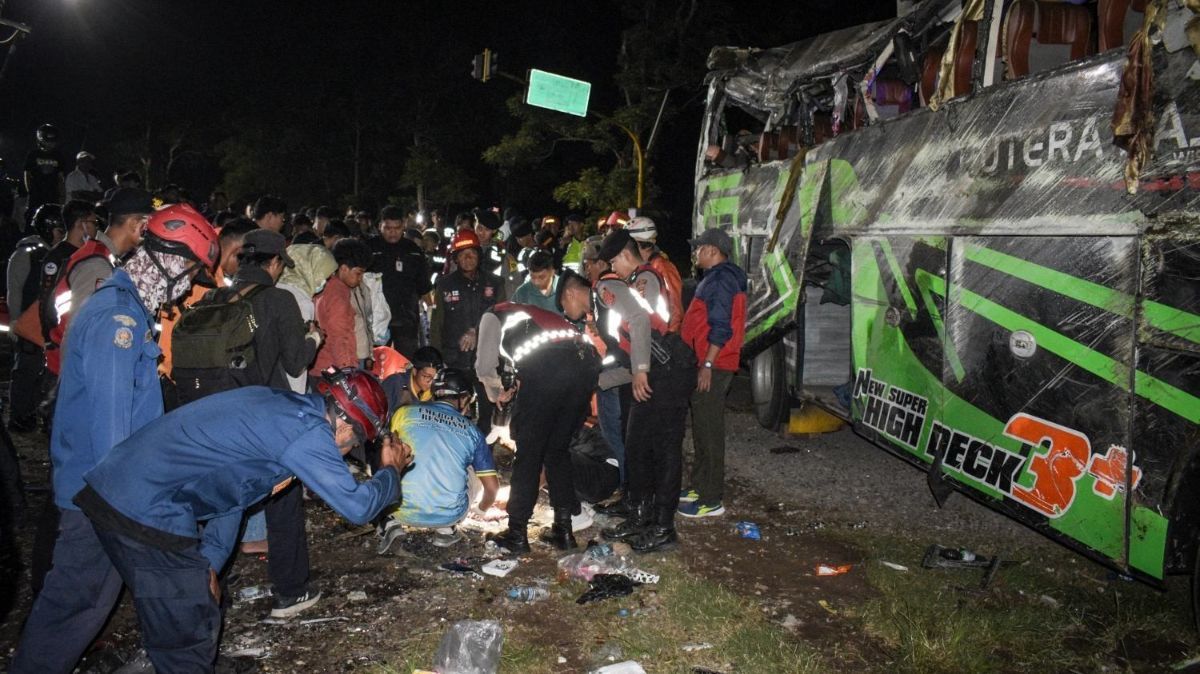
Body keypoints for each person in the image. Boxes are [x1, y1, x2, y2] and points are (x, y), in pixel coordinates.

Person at [71, 371, 407, 672]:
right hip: (145, 510)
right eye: (353, 445)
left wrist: (210, 564)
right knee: (186, 638)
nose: (347, 453)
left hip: (111, 491)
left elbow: (233, 498)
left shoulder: (284, 408)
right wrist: (392, 471)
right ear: (347, 426)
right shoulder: (306, 432)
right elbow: (358, 507)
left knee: (73, 616)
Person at [10, 204, 218, 674]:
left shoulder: (129, 309)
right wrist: (134, 508)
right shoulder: (117, 321)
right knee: (74, 604)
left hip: (105, 490)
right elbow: (109, 433)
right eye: (186, 269)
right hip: (100, 494)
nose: (187, 282)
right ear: (165, 262)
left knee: (88, 602)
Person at [481, 272, 602, 553]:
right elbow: (525, 362)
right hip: (584, 372)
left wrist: (497, 391)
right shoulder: (534, 316)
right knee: (557, 451)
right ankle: (563, 529)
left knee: (529, 453)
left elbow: (485, 367)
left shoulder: (492, 316)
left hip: (552, 374)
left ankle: (516, 533)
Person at [595, 230, 696, 553]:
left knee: (664, 451)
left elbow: (646, 324)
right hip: (658, 369)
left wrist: (640, 369)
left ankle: (664, 527)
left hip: (667, 368)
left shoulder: (645, 279)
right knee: (640, 446)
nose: (614, 269)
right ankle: (642, 514)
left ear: (624, 256)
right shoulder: (642, 278)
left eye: (613, 262)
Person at [379, 368, 500, 550]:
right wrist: (482, 509)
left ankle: (388, 523)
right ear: (464, 398)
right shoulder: (472, 431)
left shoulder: (404, 413)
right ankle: (446, 530)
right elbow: (492, 487)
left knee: (393, 453)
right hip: (449, 514)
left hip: (400, 510)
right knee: (473, 469)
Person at [45, 187, 153, 376]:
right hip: (76, 378)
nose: (150, 231)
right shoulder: (98, 265)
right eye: (148, 224)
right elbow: (80, 332)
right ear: (135, 223)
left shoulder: (106, 258)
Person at [678, 229, 747, 518]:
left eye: (699, 248)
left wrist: (707, 364)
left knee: (709, 430)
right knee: (703, 426)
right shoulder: (719, 277)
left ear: (713, 250)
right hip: (710, 362)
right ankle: (700, 484)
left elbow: (721, 326)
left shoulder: (720, 279)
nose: (695, 253)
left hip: (714, 364)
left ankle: (711, 499)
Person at [429, 229, 501, 436]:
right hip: (455, 359)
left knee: (488, 409)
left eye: (472, 254)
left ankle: (484, 442)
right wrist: (437, 359)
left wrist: (478, 331)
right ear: (456, 259)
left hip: (487, 359)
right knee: (454, 409)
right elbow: (437, 324)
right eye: (462, 255)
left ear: (479, 255)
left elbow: (501, 318)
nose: (468, 259)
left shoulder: (495, 284)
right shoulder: (444, 285)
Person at [6, 204, 53, 432]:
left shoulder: (52, 253)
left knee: (39, 373)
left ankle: (32, 413)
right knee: (26, 371)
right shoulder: (26, 254)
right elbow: (14, 289)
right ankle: (19, 416)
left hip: (44, 324)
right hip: (27, 324)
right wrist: (16, 321)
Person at [369, 205, 431, 358]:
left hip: (406, 318)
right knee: (376, 361)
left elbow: (423, 285)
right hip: (376, 317)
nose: (392, 232)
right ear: (380, 226)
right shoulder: (369, 249)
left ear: (403, 226)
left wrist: (430, 312)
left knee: (405, 362)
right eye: (388, 228)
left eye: (397, 228)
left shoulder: (413, 251)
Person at [277, 242, 338, 393]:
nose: (325, 281)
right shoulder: (302, 302)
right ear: (308, 271)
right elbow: (297, 355)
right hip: (290, 383)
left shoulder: (275, 290)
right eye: (323, 275)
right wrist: (316, 337)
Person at [312, 237, 373, 375]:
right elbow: (340, 337)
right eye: (358, 273)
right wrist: (347, 370)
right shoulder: (338, 295)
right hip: (334, 369)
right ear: (344, 268)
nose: (360, 278)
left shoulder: (324, 286)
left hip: (320, 364)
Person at [626, 216, 684, 333]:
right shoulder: (642, 268)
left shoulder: (662, 267)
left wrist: (669, 337)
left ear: (639, 244)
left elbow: (675, 307)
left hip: (662, 337)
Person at [22, 124, 65, 222]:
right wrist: (30, 191)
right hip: (36, 195)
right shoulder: (33, 154)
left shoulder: (58, 155)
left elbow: (60, 177)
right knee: (33, 219)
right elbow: (27, 174)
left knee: (51, 219)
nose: (51, 144)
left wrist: (62, 196)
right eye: (48, 141)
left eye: (53, 141)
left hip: (52, 195)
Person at [510, 249, 560, 314]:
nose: (536, 282)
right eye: (532, 277)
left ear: (553, 272)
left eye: (541, 277)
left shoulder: (565, 289)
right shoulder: (522, 292)